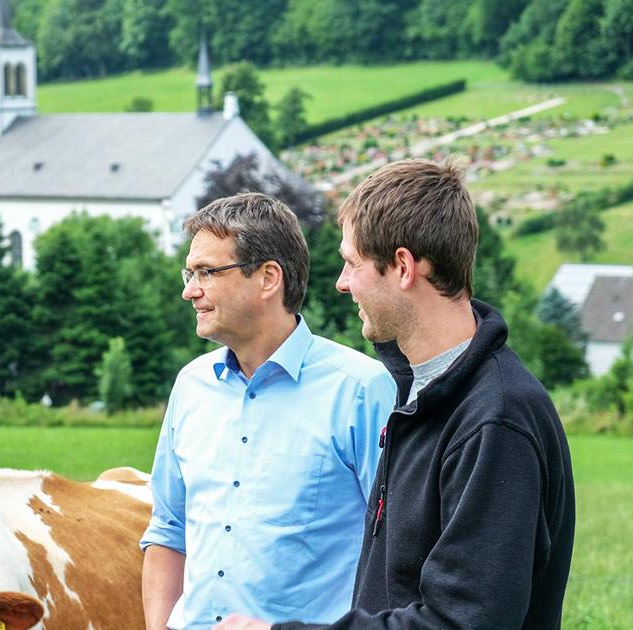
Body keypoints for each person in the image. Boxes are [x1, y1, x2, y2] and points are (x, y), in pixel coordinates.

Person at [216, 159, 576, 630]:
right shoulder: (422, 397)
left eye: (352, 263)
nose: (342, 283)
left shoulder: (494, 420)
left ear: (403, 267)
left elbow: (461, 621)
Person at [141, 192, 397, 629]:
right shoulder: (190, 386)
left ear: (268, 278)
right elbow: (168, 532)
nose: (189, 291)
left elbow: (395, 551)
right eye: (190, 272)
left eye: (206, 272)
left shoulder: (363, 392)